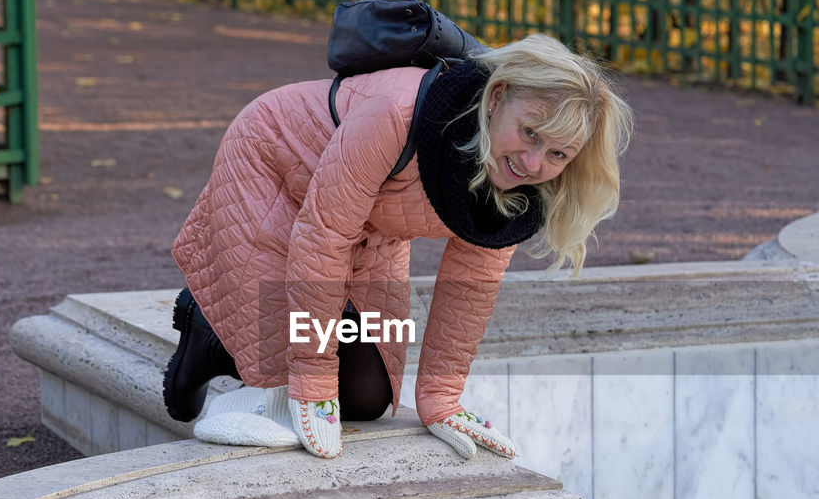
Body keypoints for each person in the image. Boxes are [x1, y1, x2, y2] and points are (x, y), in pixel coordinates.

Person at [165, 32, 633, 459]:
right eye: (530, 132)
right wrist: (310, 376)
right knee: (291, 395)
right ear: (496, 98)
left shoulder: (520, 182)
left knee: (368, 397)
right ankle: (215, 329)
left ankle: (213, 329)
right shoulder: (396, 113)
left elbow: (470, 286)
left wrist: (441, 401)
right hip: (272, 167)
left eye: (558, 154)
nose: (532, 163)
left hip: (372, 218)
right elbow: (323, 237)